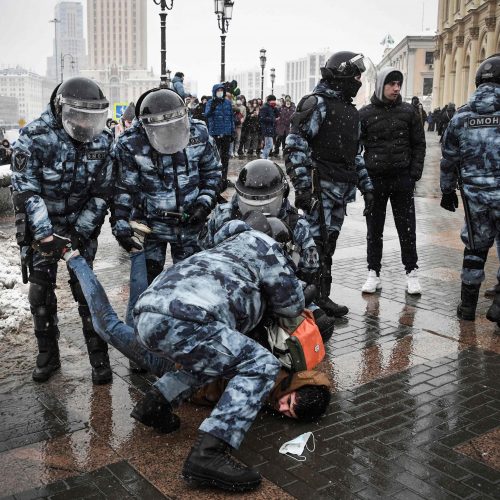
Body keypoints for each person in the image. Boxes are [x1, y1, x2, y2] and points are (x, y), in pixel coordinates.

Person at [62, 212, 306, 492]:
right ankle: (208, 454)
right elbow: (291, 306)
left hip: (149, 314)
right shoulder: (267, 247)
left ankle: (155, 405)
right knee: (260, 364)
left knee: (208, 359)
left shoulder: (224, 246)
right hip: (189, 318)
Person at [10, 76, 115, 384]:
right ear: (61, 110)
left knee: (87, 292)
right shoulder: (34, 137)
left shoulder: (103, 139)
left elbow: (103, 191)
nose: (84, 123)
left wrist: (81, 232)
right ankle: (48, 355)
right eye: (78, 115)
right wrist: (44, 233)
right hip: (42, 226)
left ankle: (99, 358)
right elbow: (26, 190)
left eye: (91, 116)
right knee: (40, 293)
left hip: (81, 225)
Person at [200, 159, 336, 336]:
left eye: (266, 201)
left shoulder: (296, 223)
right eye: (252, 201)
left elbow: (309, 269)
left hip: (281, 290)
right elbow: (204, 253)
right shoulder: (223, 215)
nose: (260, 208)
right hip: (231, 289)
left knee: (321, 327)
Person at [285, 51, 374, 317]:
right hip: (318, 189)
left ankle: (321, 297)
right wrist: (302, 189)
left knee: (328, 245)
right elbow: (294, 146)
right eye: (355, 75)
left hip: (340, 191)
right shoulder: (317, 103)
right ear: (342, 74)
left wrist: (367, 188)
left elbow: (354, 155)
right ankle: (306, 301)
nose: (358, 80)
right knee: (312, 246)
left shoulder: (349, 111)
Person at [112, 87, 221, 284]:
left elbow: (212, 173)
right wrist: (120, 224)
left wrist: (203, 204)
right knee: (148, 285)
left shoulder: (199, 133)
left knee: (193, 283)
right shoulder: (131, 144)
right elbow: (124, 188)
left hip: (191, 224)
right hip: (150, 227)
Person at [440, 54, 500, 325]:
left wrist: (447, 190)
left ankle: (467, 307)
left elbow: (448, 157)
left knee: (475, 251)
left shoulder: (462, 115)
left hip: (474, 197)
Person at [358, 68, 426, 295]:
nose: (396, 88)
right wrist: (363, 179)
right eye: (391, 84)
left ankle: (411, 272)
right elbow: (356, 149)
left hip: (402, 179)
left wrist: (413, 173)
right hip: (375, 180)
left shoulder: (408, 112)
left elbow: (419, 144)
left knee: (407, 228)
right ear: (380, 85)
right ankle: (373, 272)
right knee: (373, 228)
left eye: (399, 84)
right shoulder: (365, 114)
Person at [205, 83, 235, 191]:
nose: (220, 92)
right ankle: (215, 178)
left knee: (225, 157)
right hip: (215, 133)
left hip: (226, 133)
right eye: (218, 91)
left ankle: (224, 178)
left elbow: (231, 118)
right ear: (214, 92)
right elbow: (206, 115)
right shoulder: (210, 102)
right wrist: (212, 107)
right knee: (215, 157)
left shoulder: (227, 103)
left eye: (222, 91)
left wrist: (232, 132)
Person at [259, 95, 278, 159]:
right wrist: (273, 119)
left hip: (270, 129)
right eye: (273, 100)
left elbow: (276, 114)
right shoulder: (265, 107)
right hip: (266, 129)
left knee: (269, 145)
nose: (275, 102)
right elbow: (262, 118)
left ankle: (265, 157)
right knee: (269, 145)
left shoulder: (271, 107)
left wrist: (275, 108)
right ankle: (264, 157)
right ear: (270, 100)